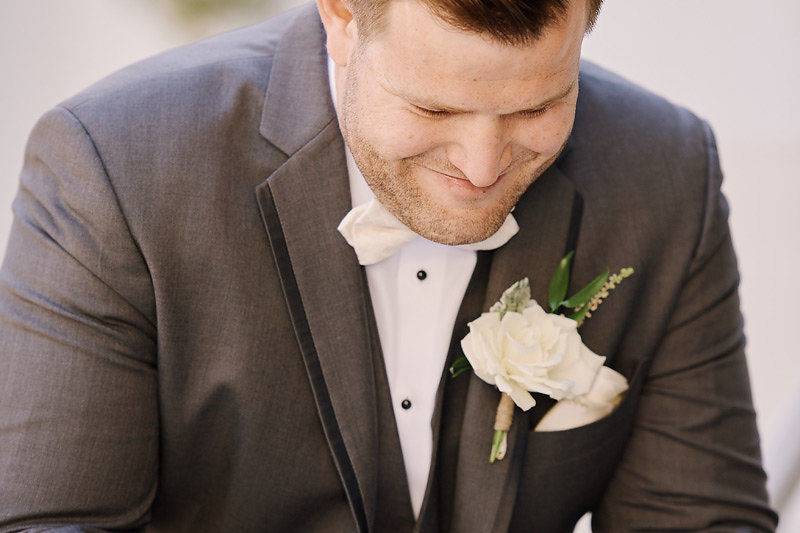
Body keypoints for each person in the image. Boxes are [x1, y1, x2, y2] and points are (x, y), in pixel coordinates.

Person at [0, 0, 779, 531]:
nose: (482, 166)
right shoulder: (117, 166)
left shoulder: (664, 173)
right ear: (340, 14)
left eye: (536, 109)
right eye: (433, 108)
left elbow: (702, 518)